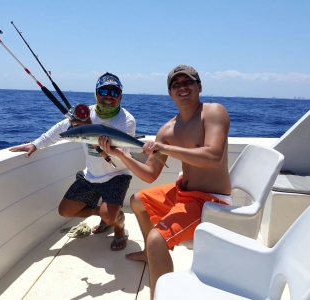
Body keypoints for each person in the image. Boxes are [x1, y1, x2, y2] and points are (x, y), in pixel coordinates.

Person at [98, 65, 231, 299]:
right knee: (137, 200)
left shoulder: (213, 112)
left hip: (211, 200)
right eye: (176, 84)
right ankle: (152, 256)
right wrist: (122, 154)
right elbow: (150, 174)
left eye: (188, 82)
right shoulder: (167, 129)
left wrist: (165, 147)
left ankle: (159, 288)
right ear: (170, 93)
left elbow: (213, 157)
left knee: (156, 238)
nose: (182, 87)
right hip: (184, 192)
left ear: (199, 86)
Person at [10, 72, 136, 251]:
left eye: (114, 93)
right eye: (104, 91)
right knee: (66, 211)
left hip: (117, 174)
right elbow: (60, 129)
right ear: (96, 94)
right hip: (91, 174)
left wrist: (90, 127)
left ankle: (119, 227)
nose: (109, 96)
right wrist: (36, 144)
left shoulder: (127, 120)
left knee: (110, 216)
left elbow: (120, 154)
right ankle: (105, 214)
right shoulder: (85, 113)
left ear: (121, 97)